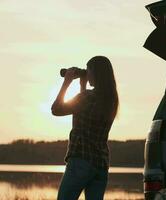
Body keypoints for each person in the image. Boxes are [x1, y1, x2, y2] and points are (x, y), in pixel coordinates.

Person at [51, 56, 119, 200]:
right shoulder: (111, 100)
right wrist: (82, 86)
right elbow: (86, 113)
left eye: (88, 70)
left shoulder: (86, 97)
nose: (87, 74)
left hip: (81, 160)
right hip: (100, 165)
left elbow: (56, 110)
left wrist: (66, 82)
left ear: (95, 73)